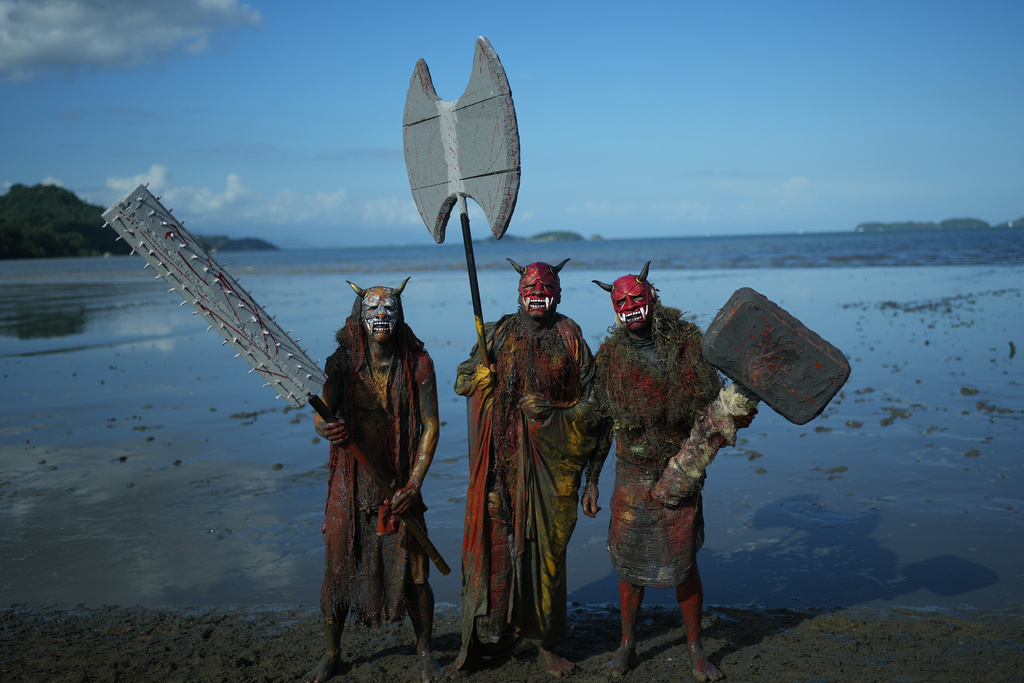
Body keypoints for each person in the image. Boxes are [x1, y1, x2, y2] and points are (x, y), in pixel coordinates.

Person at [590, 263, 756, 681]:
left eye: (637, 297)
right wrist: (591, 480)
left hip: (680, 468)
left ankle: (696, 649)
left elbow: (713, 402)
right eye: (621, 301)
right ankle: (627, 644)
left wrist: (734, 412)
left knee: (683, 564)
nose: (631, 307)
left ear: (653, 297)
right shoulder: (609, 357)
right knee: (629, 565)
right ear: (614, 309)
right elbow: (600, 423)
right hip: (630, 472)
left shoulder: (687, 343)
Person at [451, 258, 603, 679]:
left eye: (546, 288)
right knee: (493, 552)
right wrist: (479, 376)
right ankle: (487, 637)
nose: (538, 294)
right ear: (519, 292)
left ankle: (545, 643)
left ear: (558, 292)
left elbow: (596, 404)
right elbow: (463, 380)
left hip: (551, 471)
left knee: (545, 558)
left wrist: (553, 413)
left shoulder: (570, 336)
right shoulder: (497, 333)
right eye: (531, 289)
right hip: (499, 466)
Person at [305, 278, 442, 683]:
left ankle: (425, 651)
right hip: (350, 486)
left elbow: (431, 426)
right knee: (337, 571)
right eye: (372, 310)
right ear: (359, 317)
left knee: (417, 575)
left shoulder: (419, 363)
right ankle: (332, 654)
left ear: (399, 316)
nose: (381, 316)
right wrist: (324, 428)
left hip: (400, 486)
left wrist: (414, 483)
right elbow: (321, 412)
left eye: (389, 310)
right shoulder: (343, 363)